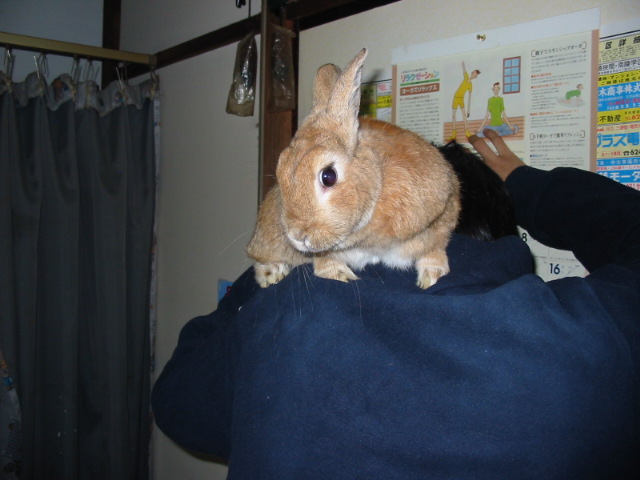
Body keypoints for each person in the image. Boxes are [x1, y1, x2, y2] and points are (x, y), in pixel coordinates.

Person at [152, 130, 640, 479]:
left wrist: (279, 265)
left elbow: (176, 403)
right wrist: (526, 185)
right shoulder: (589, 343)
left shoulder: (283, 326)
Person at [448, 61, 480, 140]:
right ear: (472, 73)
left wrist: (468, 110)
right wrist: (462, 62)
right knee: (453, 116)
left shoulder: (470, 85)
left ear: (476, 77)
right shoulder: (466, 77)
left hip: (461, 99)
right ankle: (453, 134)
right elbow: (463, 68)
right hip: (455, 97)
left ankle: (467, 132)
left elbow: (469, 97)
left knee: (464, 115)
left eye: (475, 74)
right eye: (474, 73)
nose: (474, 74)